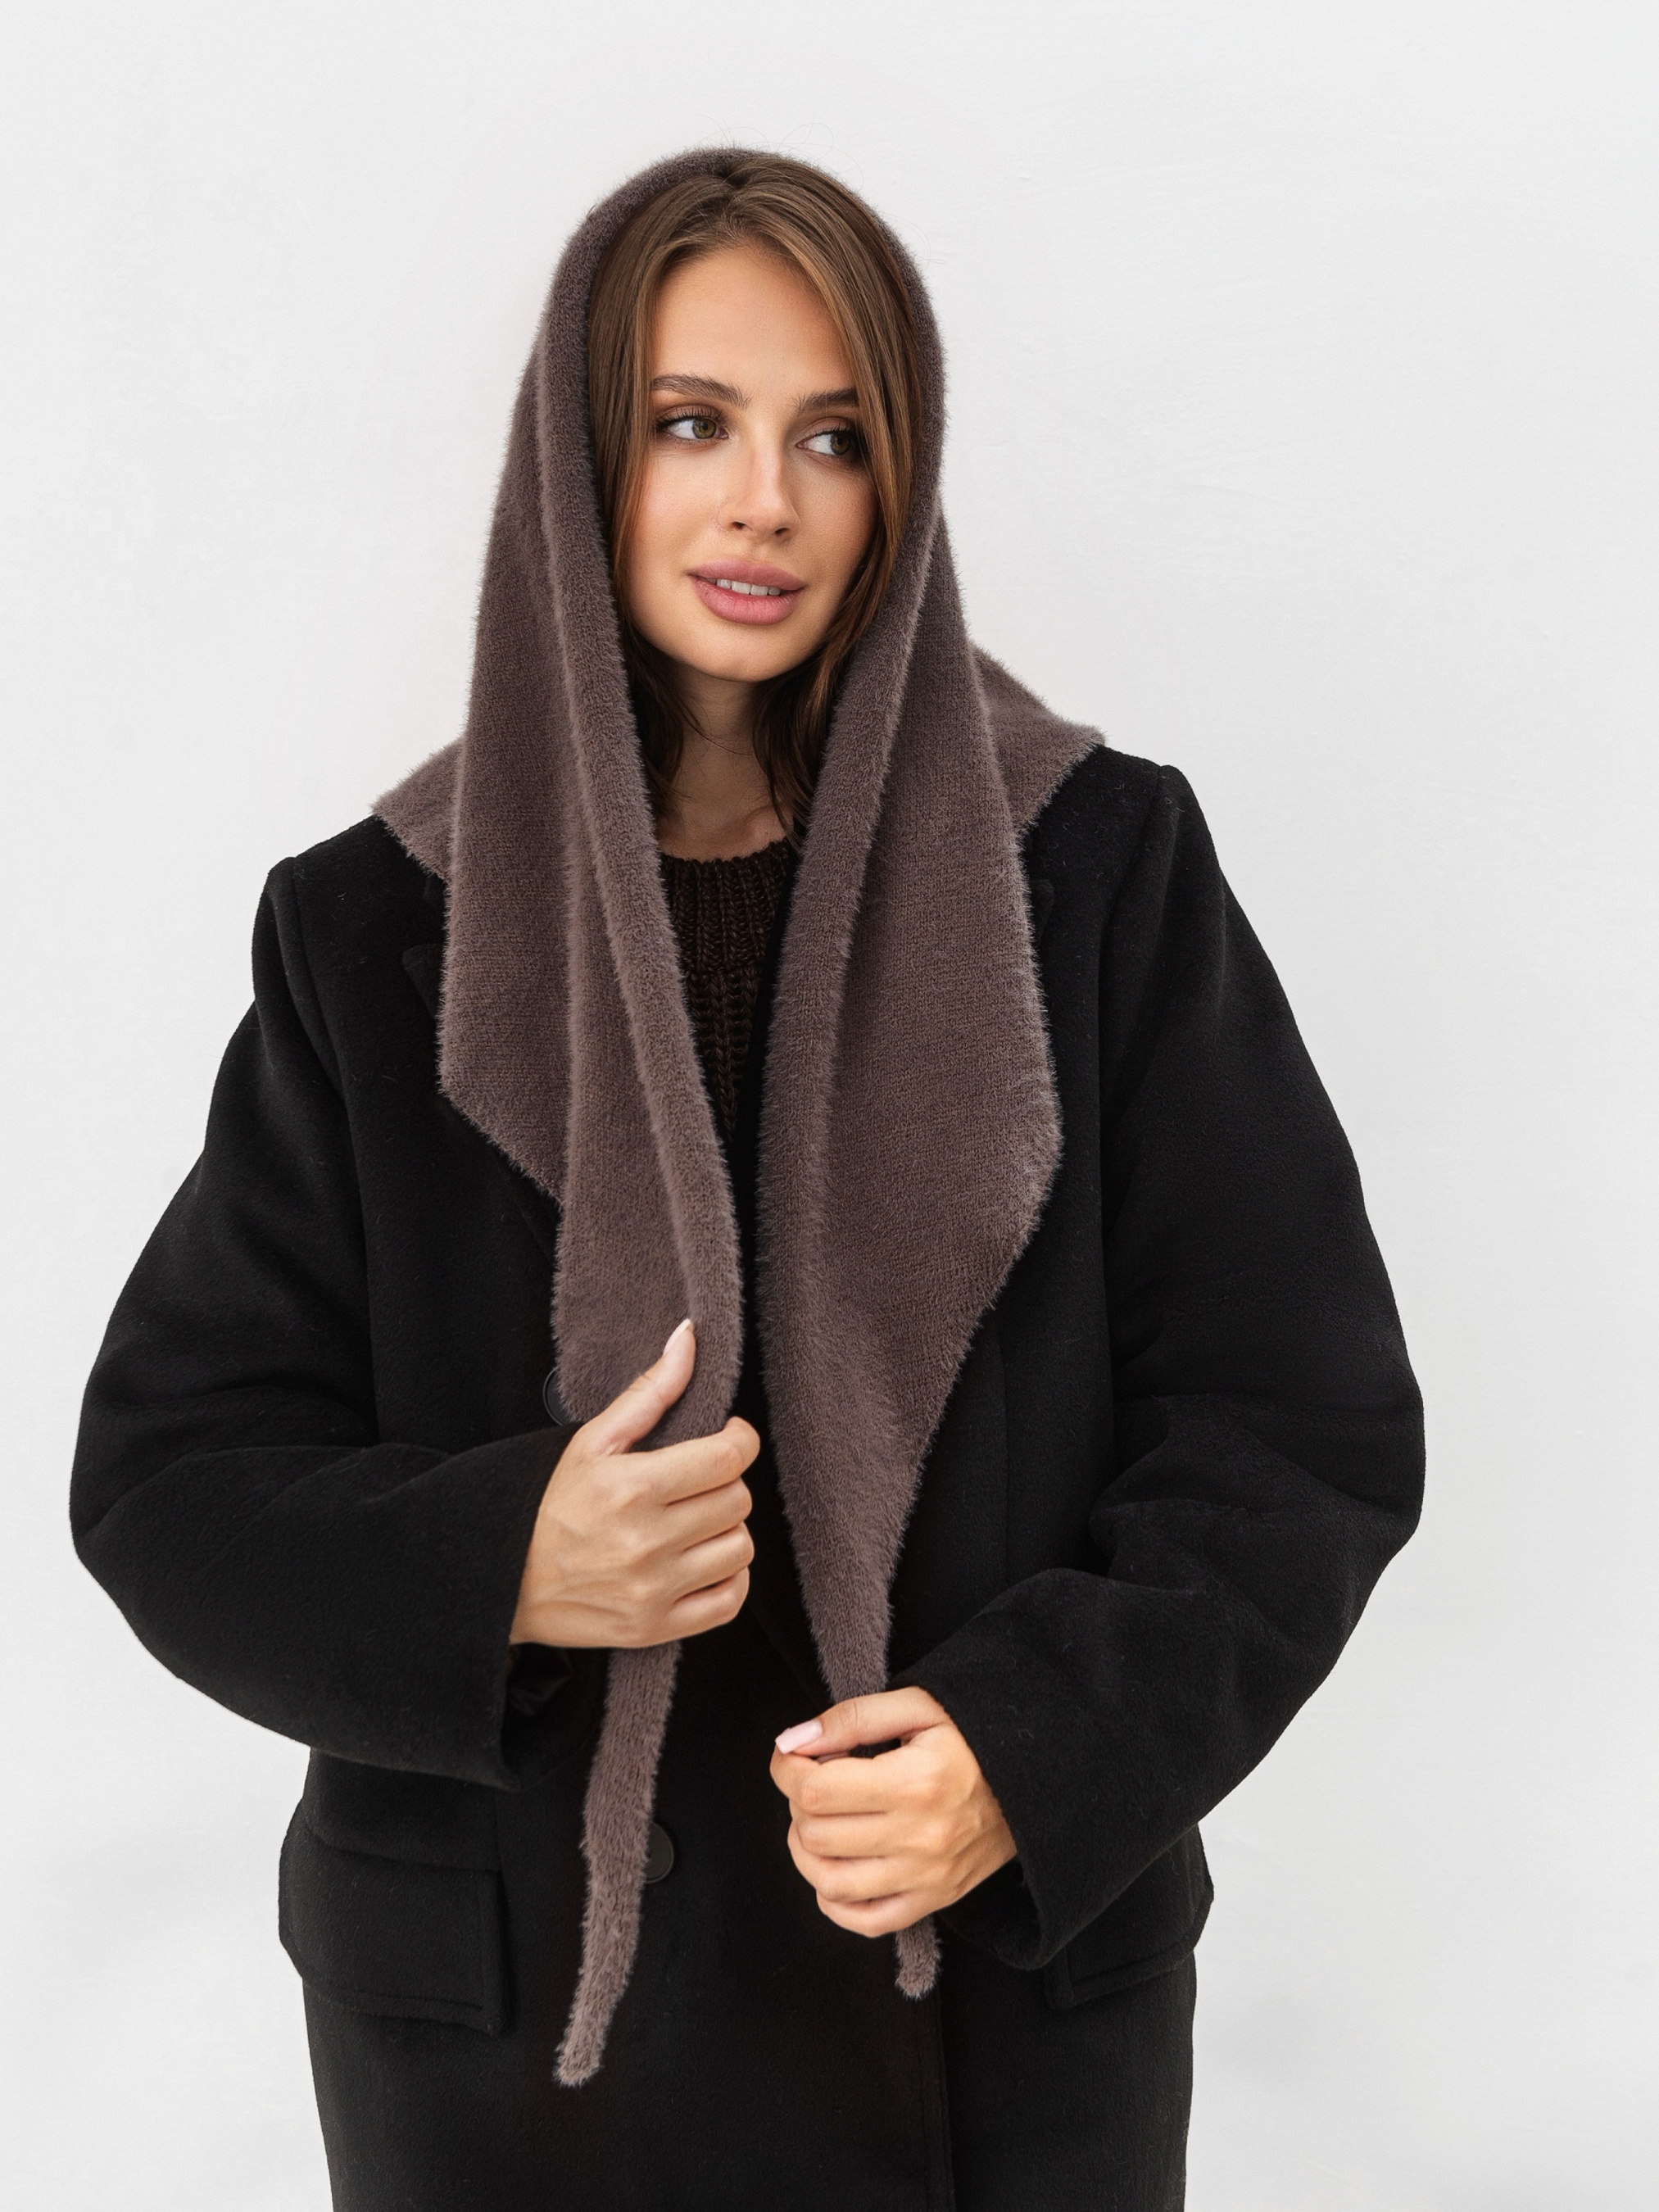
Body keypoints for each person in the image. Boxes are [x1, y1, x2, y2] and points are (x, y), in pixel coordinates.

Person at [70, 149, 1424, 2212]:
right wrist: (504, 1562)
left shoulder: (1093, 873)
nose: (762, 501)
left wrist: (1031, 1753)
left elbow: (1292, 1422)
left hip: (985, 2020)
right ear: (578, 454)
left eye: (834, 436)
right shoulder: (374, 924)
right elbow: (171, 1483)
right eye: (689, 422)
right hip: (513, 2054)